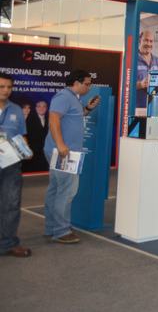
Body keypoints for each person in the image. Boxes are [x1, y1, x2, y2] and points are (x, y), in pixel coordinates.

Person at [43, 70, 100, 244]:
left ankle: (52, 227)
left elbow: (74, 117)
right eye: (87, 84)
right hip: (64, 152)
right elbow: (53, 119)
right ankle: (61, 231)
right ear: (76, 83)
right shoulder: (64, 97)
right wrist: (61, 144)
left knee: (56, 189)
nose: (89, 87)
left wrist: (88, 109)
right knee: (66, 191)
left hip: (63, 151)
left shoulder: (73, 97)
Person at [0, 73, 32, 257]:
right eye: (1, 87)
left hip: (11, 164)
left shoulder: (16, 109)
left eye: (9, 87)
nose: (6, 90)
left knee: (11, 203)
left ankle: (8, 243)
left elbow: (22, 135)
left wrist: (26, 150)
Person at [136, 29, 158, 109]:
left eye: (151, 41)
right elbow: (125, 85)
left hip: (154, 108)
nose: (148, 44)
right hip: (136, 109)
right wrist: (140, 84)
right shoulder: (132, 60)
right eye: (146, 40)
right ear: (140, 41)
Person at [24, 100, 50, 172]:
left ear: (47, 108)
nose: (41, 108)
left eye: (44, 106)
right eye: (39, 106)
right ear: (35, 108)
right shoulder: (28, 119)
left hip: (46, 154)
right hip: (33, 155)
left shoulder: (50, 119)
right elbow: (25, 136)